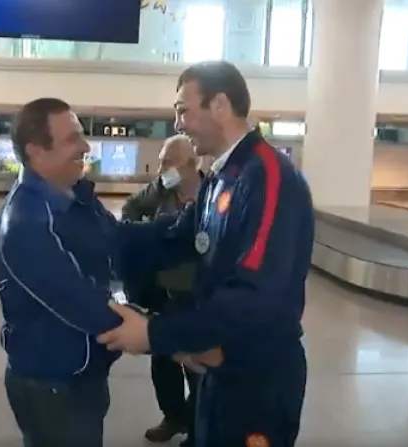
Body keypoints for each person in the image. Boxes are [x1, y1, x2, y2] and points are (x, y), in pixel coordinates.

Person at [99, 61, 313, 447]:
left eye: (183, 110)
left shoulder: (267, 176)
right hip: (218, 363)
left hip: (257, 376)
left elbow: (255, 294)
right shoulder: (220, 177)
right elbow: (175, 235)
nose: (177, 122)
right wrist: (100, 236)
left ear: (219, 105)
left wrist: (154, 333)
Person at [0, 98, 127, 447]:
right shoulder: (25, 222)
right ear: (36, 151)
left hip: (82, 375)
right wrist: (167, 337)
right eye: (72, 139)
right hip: (53, 387)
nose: (85, 147)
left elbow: (117, 241)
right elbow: (79, 302)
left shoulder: (73, 199)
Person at [121, 134, 202, 446]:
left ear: (191, 163)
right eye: (161, 162)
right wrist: (147, 237)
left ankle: (197, 428)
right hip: (162, 294)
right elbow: (131, 208)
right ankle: (173, 416)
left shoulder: (212, 193)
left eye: (168, 162)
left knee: (197, 365)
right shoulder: (161, 190)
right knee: (163, 361)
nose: (161, 168)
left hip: (196, 296)